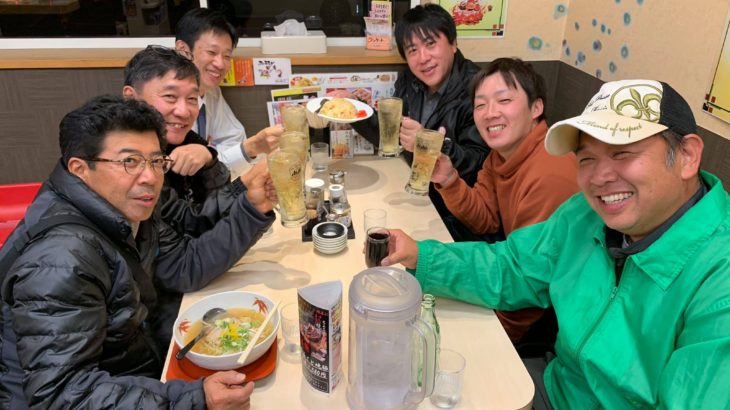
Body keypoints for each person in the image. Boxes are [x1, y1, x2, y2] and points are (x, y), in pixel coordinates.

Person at [380, 79, 730, 408]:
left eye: (622, 153)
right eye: (587, 158)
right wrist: (419, 254)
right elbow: (513, 267)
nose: (600, 177)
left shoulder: (719, 275)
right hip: (555, 389)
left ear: (687, 156)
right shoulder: (585, 214)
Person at [0, 96, 270, 409]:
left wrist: (253, 207)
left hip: (134, 369)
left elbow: (182, 264)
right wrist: (193, 400)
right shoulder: (63, 258)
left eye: (156, 161)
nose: (150, 177)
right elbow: (61, 396)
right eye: (129, 161)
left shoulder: (126, 207)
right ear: (79, 169)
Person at [429, 58, 578, 354]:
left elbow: (531, 284)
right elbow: (484, 219)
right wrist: (449, 179)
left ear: (536, 108)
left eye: (504, 100)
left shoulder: (550, 172)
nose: (490, 113)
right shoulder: (502, 154)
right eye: (480, 105)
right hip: (517, 281)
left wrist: (491, 342)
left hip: (552, 313)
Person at [351, 3, 490, 220]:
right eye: (412, 50)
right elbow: (393, 136)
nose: (423, 58)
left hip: (453, 212)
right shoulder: (409, 79)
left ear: (453, 43)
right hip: (416, 195)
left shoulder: (478, 90)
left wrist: (429, 143)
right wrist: (354, 110)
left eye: (430, 43)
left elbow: (479, 163)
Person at [175, 8, 282, 177]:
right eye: (211, 52)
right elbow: (189, 172)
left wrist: (211, 153)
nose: (220, 64)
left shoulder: (211, 92)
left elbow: (234, 139)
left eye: (227, 56)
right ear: (183, 50)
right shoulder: (169, 106)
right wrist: (250, 148)